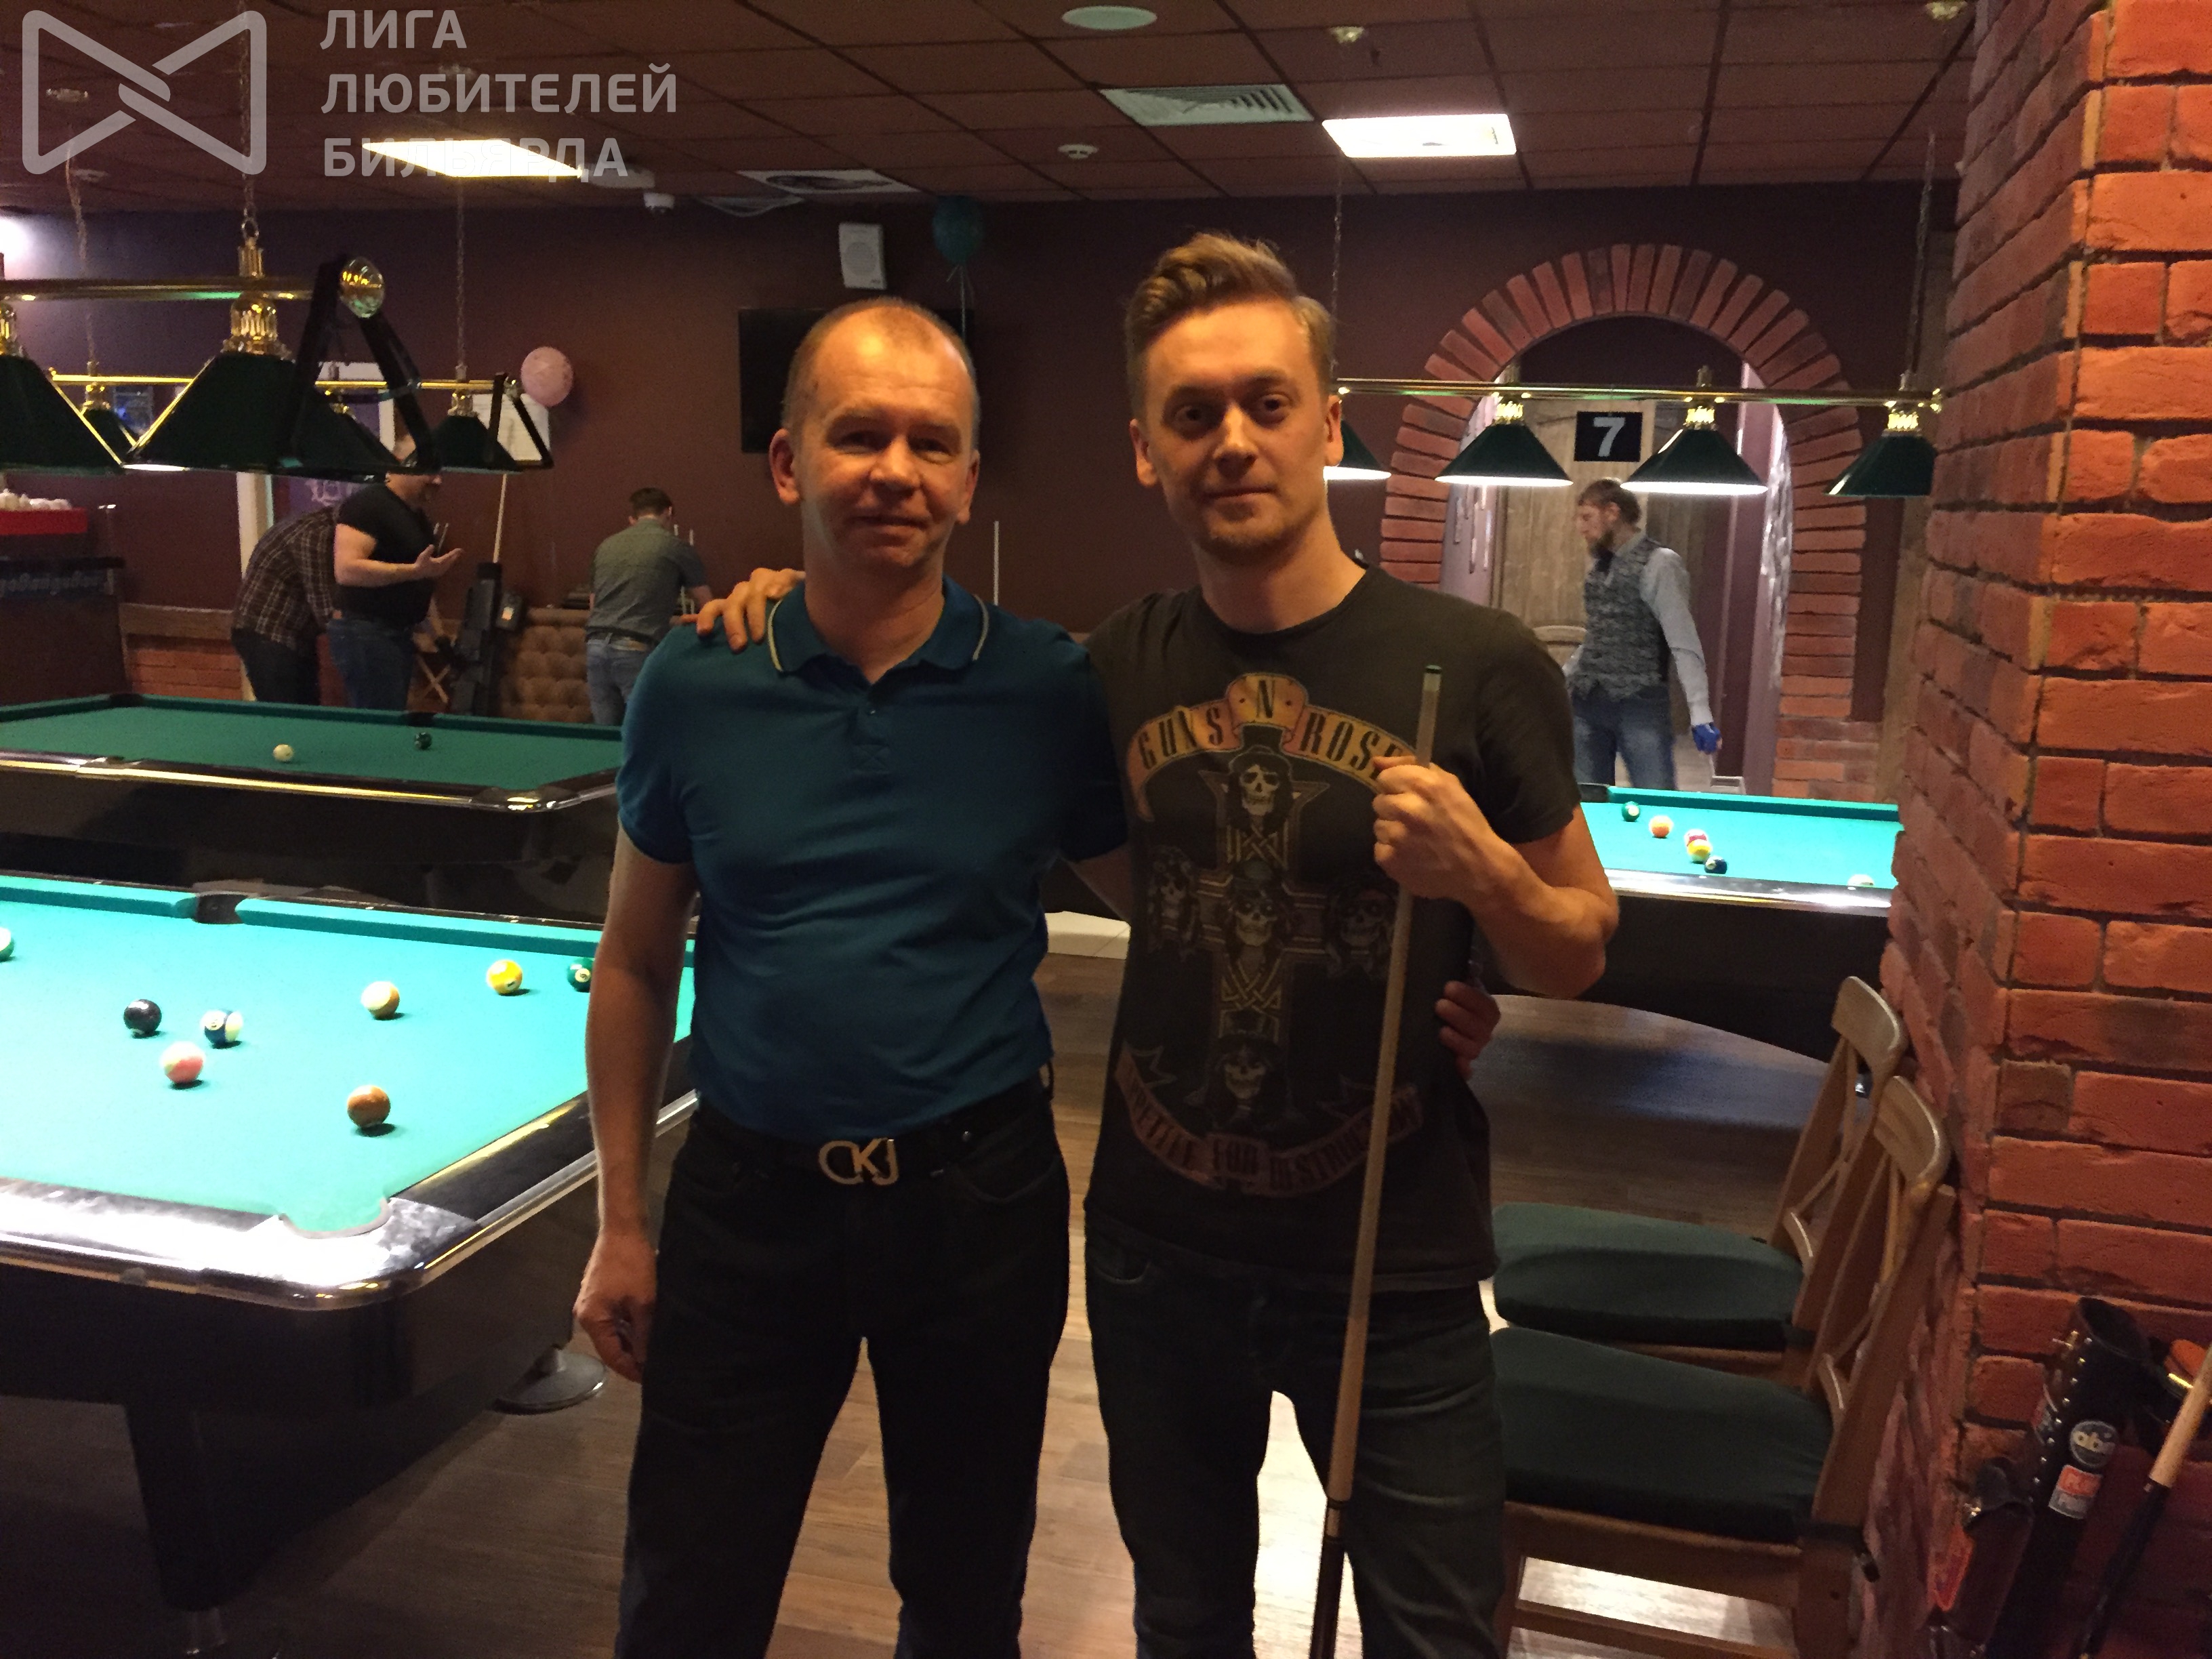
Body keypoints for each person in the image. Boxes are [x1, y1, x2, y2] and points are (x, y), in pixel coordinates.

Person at [695, 236, 1615, 1659]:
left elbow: (1577, 952)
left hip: (1395, 1260)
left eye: (1265, 403)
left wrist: (1482, 879)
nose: (1231, 440)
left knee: (1436, 1636)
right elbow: (1154, 887)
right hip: (1155, 1254)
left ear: (1327, 423)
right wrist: (779, 590)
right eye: (1192, 414)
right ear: (1146, 450)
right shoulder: (1107, 668)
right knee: (1183, 1624)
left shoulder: (1476, 661)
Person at [572, 297, 1128, 1659]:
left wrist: (1415, 983)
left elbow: (1182, 911)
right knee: (685, 1596)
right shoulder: (695, 681)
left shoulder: (1046, 686)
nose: (895, 470)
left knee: (964, 1596)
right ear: (787, 462)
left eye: (931, 443)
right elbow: (635, 960)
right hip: (748, 1203)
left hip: (979, 1204)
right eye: (858, 435)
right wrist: (621, 1219)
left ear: (970, 478)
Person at [1562, 478, 1719, 789]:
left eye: (1587, 517)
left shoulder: (1660, 564)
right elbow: (1598, 634)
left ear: (1612, 513)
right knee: (1588, 801)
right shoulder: (1601, 565)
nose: (1581, 528)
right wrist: (1560, 678)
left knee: (1656, 797)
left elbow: (1683, 641)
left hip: (1639, 704)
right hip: (1587, 702)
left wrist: (1700, 713)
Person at [327, 437, 462, 710]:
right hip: (366, 632)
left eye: (440, 472)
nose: (438, 480)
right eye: (430, 471)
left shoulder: (416, 517)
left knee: (391, 718)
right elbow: (347, 570)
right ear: (401, 464)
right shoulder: (368, 505)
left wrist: (440, 639)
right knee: (380, 723)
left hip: (395, 634)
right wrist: (412, 572)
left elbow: (421, 581)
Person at [585, 487, 714, 726]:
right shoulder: (676, 547)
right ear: (669, 512)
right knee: (645, 730)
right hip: (636, 646)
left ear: (632, 518)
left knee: (604, 734)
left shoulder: (606, 545)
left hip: (595, 646)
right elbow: (708, 605)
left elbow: (594, 604)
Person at [230, 504, 337, 703]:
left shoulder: (319, 524)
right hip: (267, 633)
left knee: (301, 709)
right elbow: (326, 611)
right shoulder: (315, 536)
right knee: (286, 710)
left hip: (285, 634)